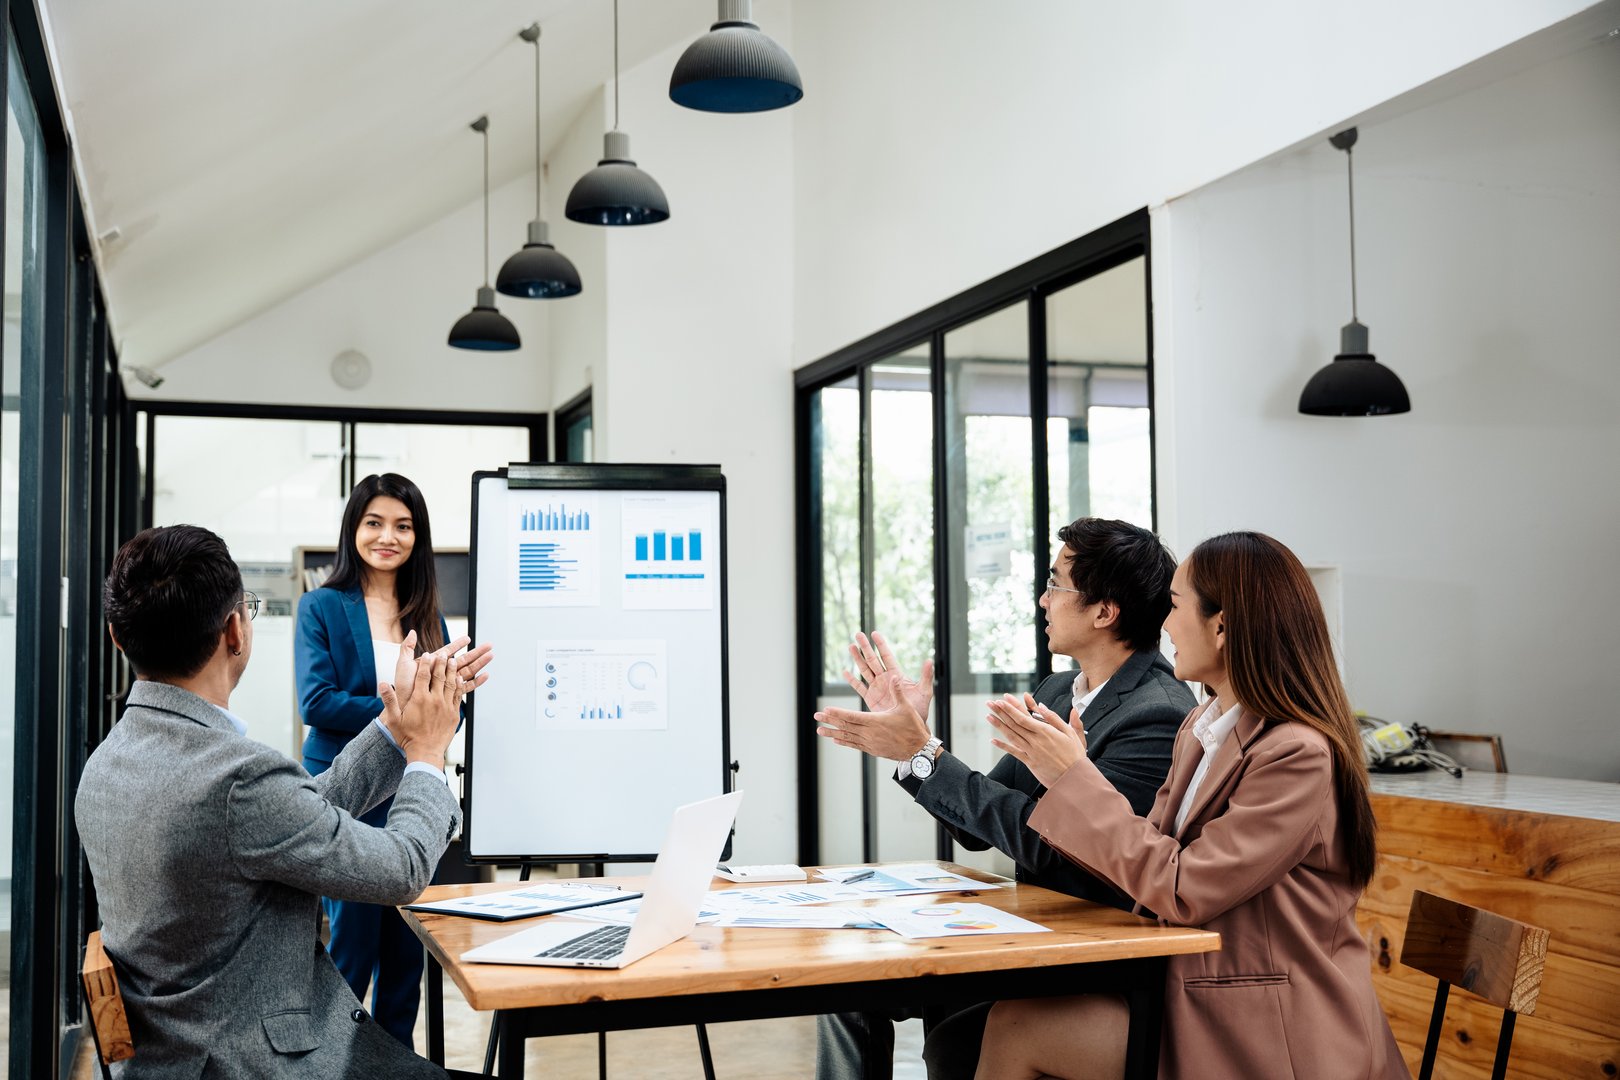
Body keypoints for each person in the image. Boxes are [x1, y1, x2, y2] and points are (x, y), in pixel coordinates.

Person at [977, 531, 1406, 1080]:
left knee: (1017, 1025)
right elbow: (1148, 857)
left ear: (1222, 626)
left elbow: (1182, 889)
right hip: (1197, 990)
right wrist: (1067, 781)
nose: (1164, 624)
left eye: (1175, 607)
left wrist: (1074, 779)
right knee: (1011, 1017)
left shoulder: (1296, 755)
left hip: (1269, 1028)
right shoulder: (1200, 729)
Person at [76, 525, 491, 1077]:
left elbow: (292, 816)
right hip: (258, 1060)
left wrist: (397, 725)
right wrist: (428, 753)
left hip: (172, 1056)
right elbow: (403, 869)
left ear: (117, 637)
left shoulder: (106, 762)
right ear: (235, 631)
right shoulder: (238, 778)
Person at [812, 517, 1196, 1080]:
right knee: (845, 982)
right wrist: (915, 746)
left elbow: (1054, 847)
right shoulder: (1058, 690)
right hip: (1028, 933)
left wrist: (925, 753)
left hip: (1086, 959)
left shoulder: (1158, 714)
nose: (1043, 599)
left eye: (1056, 584)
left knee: (947, 1034)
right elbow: (978, 824)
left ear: (1104, 610)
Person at [296, 472, 454, 1048]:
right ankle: (331, 1059)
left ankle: (395, 1060)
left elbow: (441, 702)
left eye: (404, 526)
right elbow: (317, 701)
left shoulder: (425, 609)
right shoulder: (321, 606)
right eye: (375, 522)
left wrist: (442, 702)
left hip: (409, 792)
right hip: (347, 790)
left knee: (405, 953)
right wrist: (403, 708)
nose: (389, 536)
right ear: (353, 529)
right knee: (352, 946)